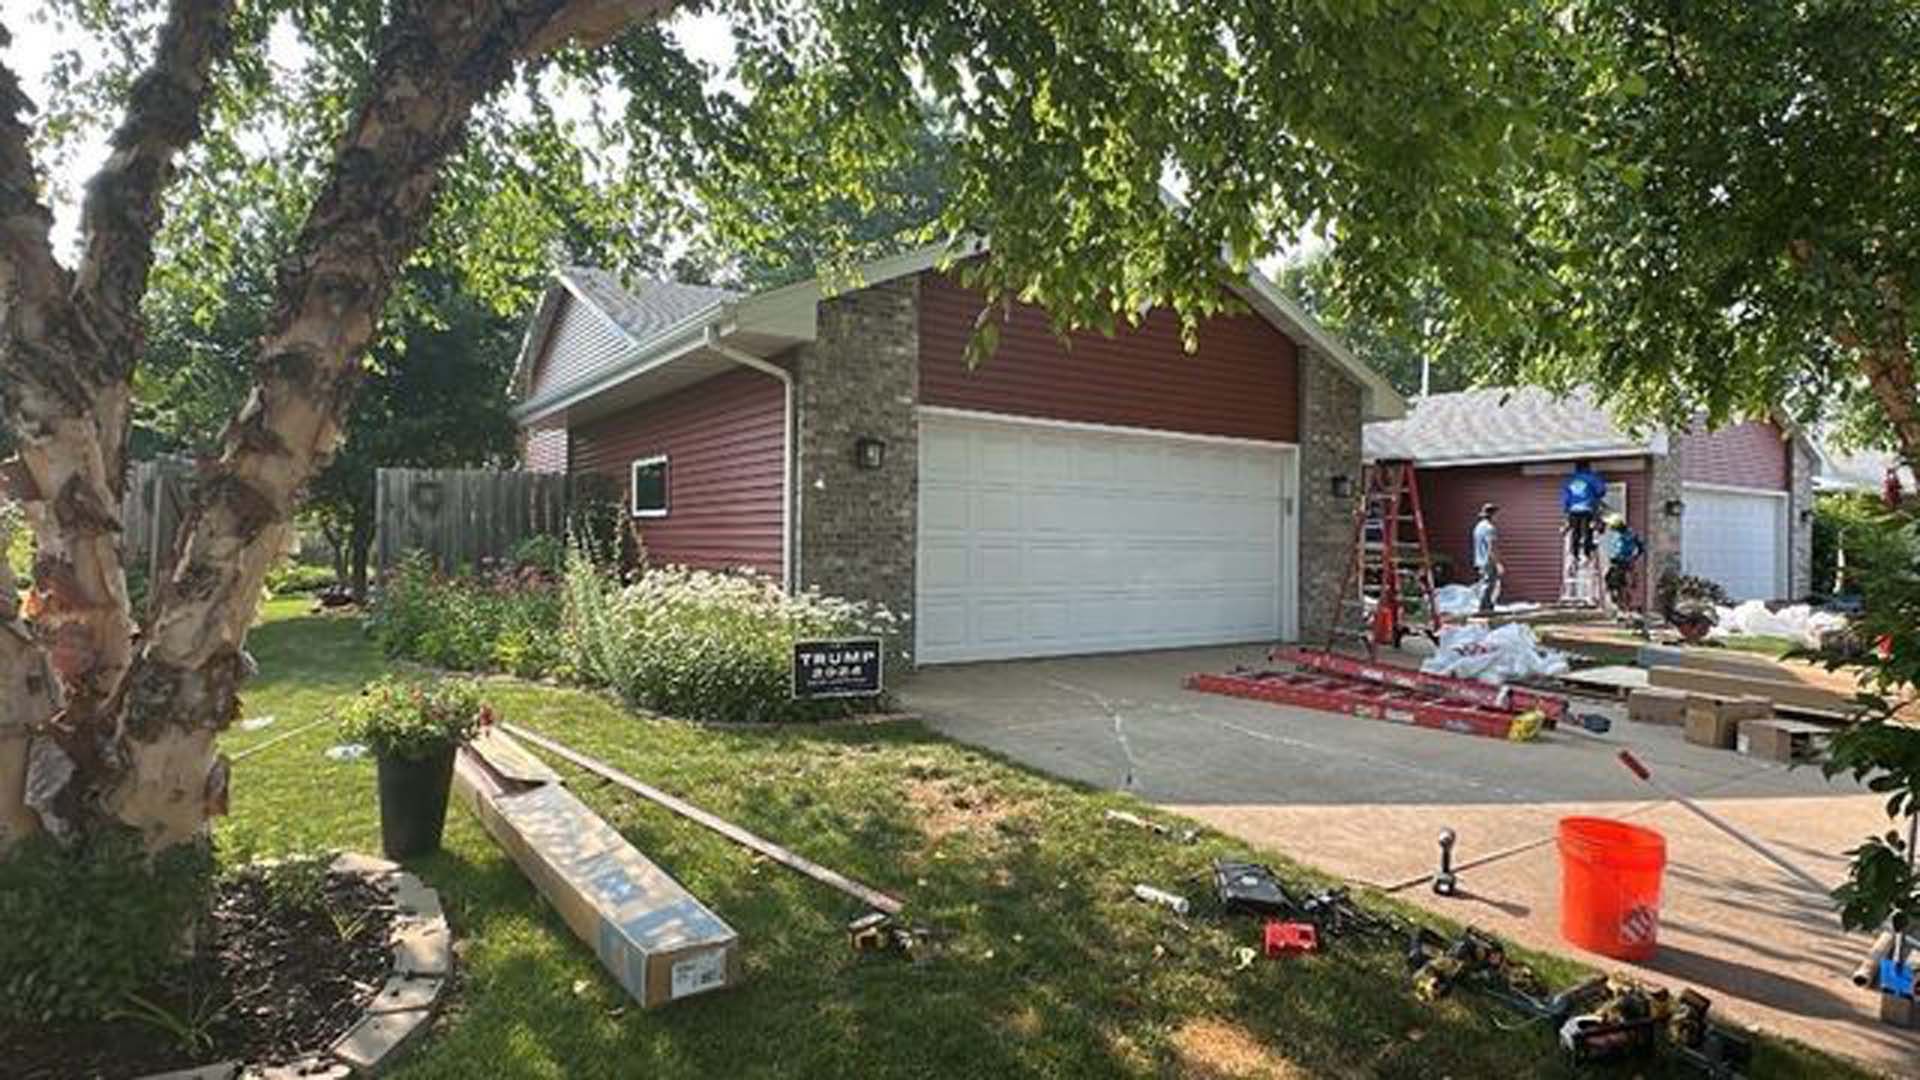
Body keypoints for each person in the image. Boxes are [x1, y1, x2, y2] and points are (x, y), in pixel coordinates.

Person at [1561, 459, 1608, 566]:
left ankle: (1575, 554)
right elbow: (1601, 490)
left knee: (1575, 533)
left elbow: (1565, 497)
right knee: (1587, 532)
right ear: (1588, 467)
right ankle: (1586, 554)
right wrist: (1595, 497)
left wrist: (1566, 509)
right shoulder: (1591, 477)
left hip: (1573, 511)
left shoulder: (1570, 480)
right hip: (1587, 509)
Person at [1602, 511, 1643, 612]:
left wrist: (1633, 557)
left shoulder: (1625, 535)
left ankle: (1622, 605)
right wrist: (1635, 556)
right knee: (1612, 580)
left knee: (1617, 583)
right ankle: (1621, 603)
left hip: (1621, 562)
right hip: (1623, 561)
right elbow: (1640, 547)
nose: (1610, 528)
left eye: (1611, 526)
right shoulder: (1629, 533)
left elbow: (1639, 547)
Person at [1472, 502, 1502, 615]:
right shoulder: (1490, 528)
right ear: (1492, 515)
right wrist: (1498, 563)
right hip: (1488, 561)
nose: (1497, 517)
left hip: (1479, 560)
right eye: (1496, 514)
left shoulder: (1478, 527)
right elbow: (1492, 548)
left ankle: (1488, 607)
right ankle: (1483, 609)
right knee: (1489, 585)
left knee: (1486, 584)